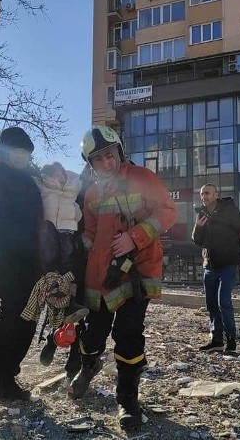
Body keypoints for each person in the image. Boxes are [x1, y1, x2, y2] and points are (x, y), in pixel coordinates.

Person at [67, 126, 176, 430]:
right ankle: (88, 367)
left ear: (120, 151)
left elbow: (168, 212)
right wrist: (75, 246)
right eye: (98, 158)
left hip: (136, 272)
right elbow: (90, 232)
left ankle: (127, 399)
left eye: (110, 154)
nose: (106, 161)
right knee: (90, 335)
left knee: (128, 335)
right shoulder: (90, 192)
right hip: (100, 276)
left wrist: (135, 236)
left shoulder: (142, 177)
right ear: (91, 164)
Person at [0, 126, 45, 403]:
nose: (24, 157)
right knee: (14, 309)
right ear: (5, 152)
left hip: (29, 257)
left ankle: (7, 375)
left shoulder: (26, 177)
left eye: (27, 153)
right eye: (18, 152)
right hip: (4, 257)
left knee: (29, 312)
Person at [33, 161, 89, 368]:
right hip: (72, 249)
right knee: (63, 301)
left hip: (86, 253)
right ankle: (52, 340)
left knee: (83, 311)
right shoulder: (78, 187)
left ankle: (74, 366)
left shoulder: (83, 190)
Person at [192, 183, 240, 353]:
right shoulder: (202, 214)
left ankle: (231, 340)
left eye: (208, 193)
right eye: (202, 194)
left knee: (223, 302)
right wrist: (199, 226)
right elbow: (197, 241)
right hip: (209, 266)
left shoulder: (230, 211)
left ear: (216, 195)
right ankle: (216, 340)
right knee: (211, 304)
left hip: (228, 264)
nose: (204, 197)